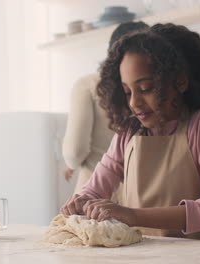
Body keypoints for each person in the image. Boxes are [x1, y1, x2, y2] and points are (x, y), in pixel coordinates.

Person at [60, 23, 200, 241]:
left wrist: (132, 215)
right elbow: (94, 189)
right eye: (128, 92)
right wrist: (81, 202)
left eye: (145, 89)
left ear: (180, 81)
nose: (135, 103)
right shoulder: (130, 131)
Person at [63, 21, 149, 195]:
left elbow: (74, 151)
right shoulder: (155, 90)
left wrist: (73, 163)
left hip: (93, 191)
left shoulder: (87, 85)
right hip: (141, 194)